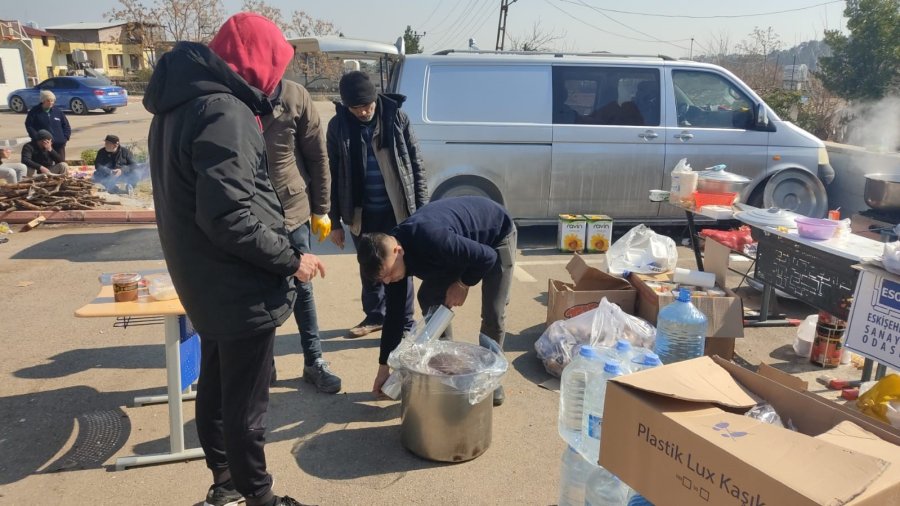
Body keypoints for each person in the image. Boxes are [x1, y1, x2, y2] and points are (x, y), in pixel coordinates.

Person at [143, 13, 319, 506]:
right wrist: (291, 259)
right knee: (247, 406)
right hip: (238, 285)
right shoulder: (225, 111)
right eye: (276, 66)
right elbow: (230, 218)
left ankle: (225, 485)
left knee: (218, 388)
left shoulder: (180, 104)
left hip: (204, 280)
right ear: (256, 63)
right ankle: (258, 498)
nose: (279, 80)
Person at [357, 196, 517, 406]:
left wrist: (462, 283)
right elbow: (394, 318)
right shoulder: (392, 264)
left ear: (398, 251)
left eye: (389, 273)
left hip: (495, 236)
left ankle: (490, 379)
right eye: (382, 279)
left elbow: (486, 257)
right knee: (429, 297)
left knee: (493, 313)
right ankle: (448, 367)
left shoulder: (430, 238)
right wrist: (383, 368)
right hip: (456, 250)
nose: (388, 280)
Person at [326, 70, 429, 338]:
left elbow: (416, 166)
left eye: (367, 106)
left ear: (376, 98)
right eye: (356, 108)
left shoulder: (397, 118)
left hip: (397, 209)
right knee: (370, 266)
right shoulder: (338, 127)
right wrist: (334, 221)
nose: (363, 112)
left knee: (399, 267)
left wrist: (424, 211)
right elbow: (333, 174)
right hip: (362, 211)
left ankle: (405, 323)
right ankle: (376, 316)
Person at [261, 78, 341, 393]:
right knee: (257, 290)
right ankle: (263, 365)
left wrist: (321, 209)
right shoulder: (233, 92)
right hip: (250, 213)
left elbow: (317, 156)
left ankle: (314, 360)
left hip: (291, 209)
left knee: (302, 287)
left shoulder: (295, 95)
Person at [25, 90, 71, 160]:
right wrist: (37, 139)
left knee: (61, 164)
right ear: (43, 101)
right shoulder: (34, 112)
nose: (51, 103)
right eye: (48, 101)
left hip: (59, 144)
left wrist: (65, 138)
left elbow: (66, 126)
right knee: (47, 165)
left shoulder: (57, 111)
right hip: (43, 144)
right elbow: (29, 126)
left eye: (52, 101)